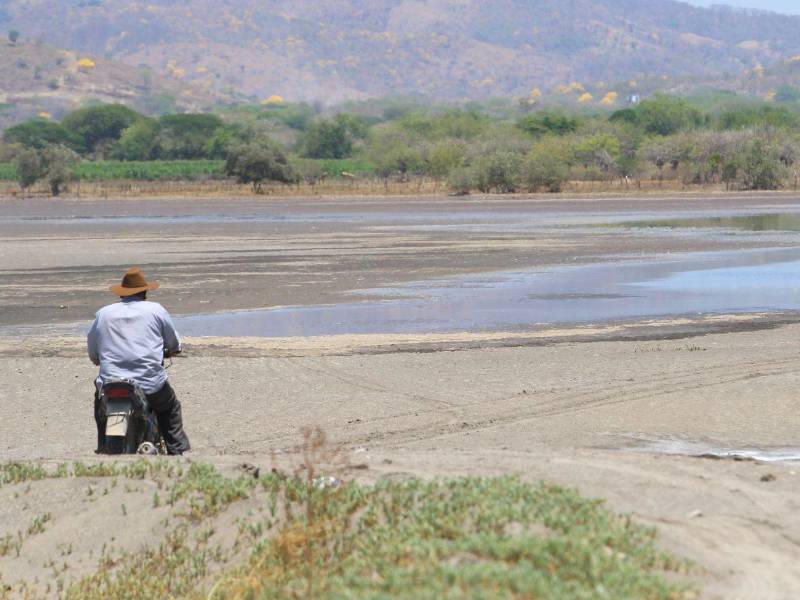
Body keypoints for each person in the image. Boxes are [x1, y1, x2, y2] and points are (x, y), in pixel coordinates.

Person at [87, 267, 190, 455]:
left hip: (111, 382)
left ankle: (103, 444)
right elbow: (173, 342)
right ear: (144, 292)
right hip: (150, 383)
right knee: (170, 408)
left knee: (100, 404)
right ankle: (176, 452)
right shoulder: (155, 310)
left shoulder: (103, 313)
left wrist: (98, 358)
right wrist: (173, 349)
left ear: (122, 294)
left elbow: (93, 351)